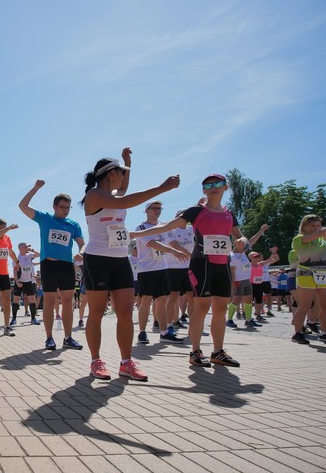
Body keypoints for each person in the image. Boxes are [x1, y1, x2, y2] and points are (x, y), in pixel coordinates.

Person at [81, 147, 180, 381]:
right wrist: (161, 188)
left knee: (125, 312)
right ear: (111, 174)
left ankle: (126, 363)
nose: (124, 177)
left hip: (120, 260)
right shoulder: (94, 195)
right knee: (96, 312)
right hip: (97, 259)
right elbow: (125, 201)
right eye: (121, 172)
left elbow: (123, 192)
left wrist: (128, 162)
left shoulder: (115, 193)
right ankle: (96, 361)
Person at [133, 173, 252, 368]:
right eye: (208, 185)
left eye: (218, 183)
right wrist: (137, 234)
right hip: (201, 264)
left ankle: (218, 352)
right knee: (201, 308)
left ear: (225, 187)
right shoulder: (196, 211)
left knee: (220, 309)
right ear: (203, 190)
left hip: (222, 265)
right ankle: (195, 351)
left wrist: (243, 242)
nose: (213, 187)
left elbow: (241, 238)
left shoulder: (229, 213)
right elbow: (168, 227)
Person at [19, 181, 86, 350]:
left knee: (68, 301)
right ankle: (49, 338)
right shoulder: (45, 218)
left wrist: (82, 252)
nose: (66, 210)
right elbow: (23, 206)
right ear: (55, 206)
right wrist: (35, 188)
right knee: (49, 301)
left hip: (67, 266)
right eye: (63, 207)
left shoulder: (73, 225)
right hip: (48, 265)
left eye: (68, 207)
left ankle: (68, 337)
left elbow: (82, 243)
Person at [134, 201, 187, 344]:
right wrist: (173, 251)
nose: (157, 211)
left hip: (162, 269)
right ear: (146, 211)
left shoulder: (164, 226)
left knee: (162, 301)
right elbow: (152, 243)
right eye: (154, 208)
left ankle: (164, 332)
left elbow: (172, 242)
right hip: (147, 269)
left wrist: (187, 253)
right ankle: (142, 332)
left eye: (159, 208)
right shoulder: (141, 228)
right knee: (145, 300)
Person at [290, 214, 326, 344]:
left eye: (318, 225)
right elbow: (311, 238)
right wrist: (321, 232)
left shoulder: (323, 239)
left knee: (324, 305)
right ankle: (298, 333)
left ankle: (324, 332)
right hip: (306, 273)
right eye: (313, 226)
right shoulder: (298, 238)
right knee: (305, 305)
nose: (317, 228)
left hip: (322, 273)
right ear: (304, 227)